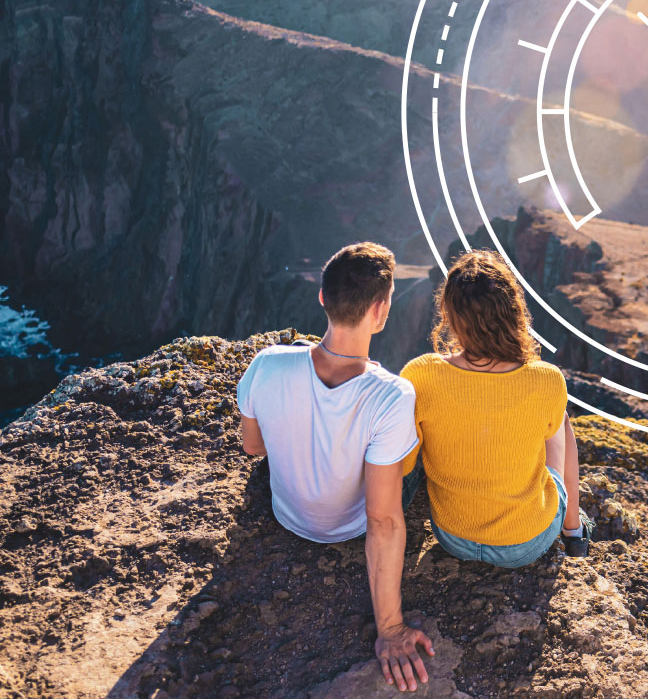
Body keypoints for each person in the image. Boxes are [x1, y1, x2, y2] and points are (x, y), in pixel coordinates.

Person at [237, 242, 434, 692]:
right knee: (417, 449)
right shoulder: (392, 394)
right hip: (350, 526)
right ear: (381, 311)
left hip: (288, 516)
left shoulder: (266, 364)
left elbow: (253, 448)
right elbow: (382, 520)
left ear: (322, 297)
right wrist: (390, 630)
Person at [401, 250, 589, 569]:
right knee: (561, 422)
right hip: (527, 542)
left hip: (452, 537)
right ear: (513, 312)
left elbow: (403, 464)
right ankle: (573, 531)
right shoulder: (546, 379)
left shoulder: (421, 374)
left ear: (450, 314)